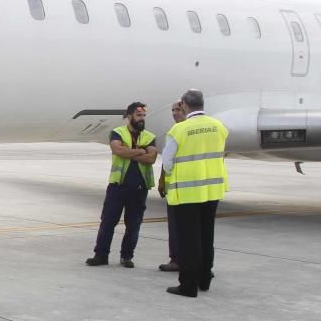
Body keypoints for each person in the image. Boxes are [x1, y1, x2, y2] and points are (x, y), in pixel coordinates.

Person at [162, 89, 228, 297]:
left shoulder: (179, 130)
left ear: (183, 105)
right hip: (212, 190)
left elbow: (167, 162)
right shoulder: (218, 127)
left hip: (187, 192)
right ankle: (204, 279)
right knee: (207, 236)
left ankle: (188, 285)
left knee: (188, 240)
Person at [86, 102, 158, 268]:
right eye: (138, 115)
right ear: (129, 116)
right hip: (118, 186)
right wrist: (141, 151)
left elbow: (151, 158)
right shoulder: (117, 133)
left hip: (140, 188)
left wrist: (130, 152)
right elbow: (118, 150)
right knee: (108, 222)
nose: (142, 119)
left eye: (143, 116)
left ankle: (127, 257)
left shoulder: (149, 136)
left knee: (133, 225)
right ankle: (101, 255)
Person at [157, 101, 187, 272]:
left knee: (177, 226)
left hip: (179, 188)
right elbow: (165, 161)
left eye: (179, 110)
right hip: (180, 187)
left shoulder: (177, 132)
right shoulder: (178, 130)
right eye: (173, 110)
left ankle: (177, 259)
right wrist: (161, 180)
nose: (175, 113)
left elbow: (168, 161)